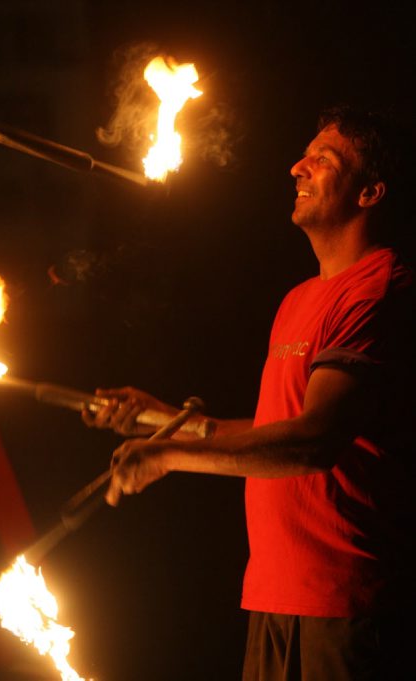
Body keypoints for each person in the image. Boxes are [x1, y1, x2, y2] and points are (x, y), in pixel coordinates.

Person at [82, 104, 415, 681]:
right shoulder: (298, 299)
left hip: (348, 604)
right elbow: (273, 429)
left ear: (370, 192)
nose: (296, 168)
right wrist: (164, 421)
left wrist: (167, 456)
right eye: (303, 155)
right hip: (274, 594)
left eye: (322, 160)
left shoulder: (378, 291)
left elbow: (313, 442)